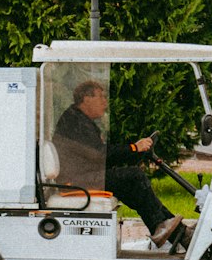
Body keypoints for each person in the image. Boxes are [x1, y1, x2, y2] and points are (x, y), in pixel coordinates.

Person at [53, 79, 183, 247]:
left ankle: (172, 230)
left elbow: (99, 154)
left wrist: (135, 151)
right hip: (74, 181)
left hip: (83, 176)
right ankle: (164, 227)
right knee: (133, 176)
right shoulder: (75, 121)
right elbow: (99, 154)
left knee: (132, 184)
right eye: (100, 97)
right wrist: (133, 148)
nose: (105, 102)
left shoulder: (79, 119)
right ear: (86, 99)